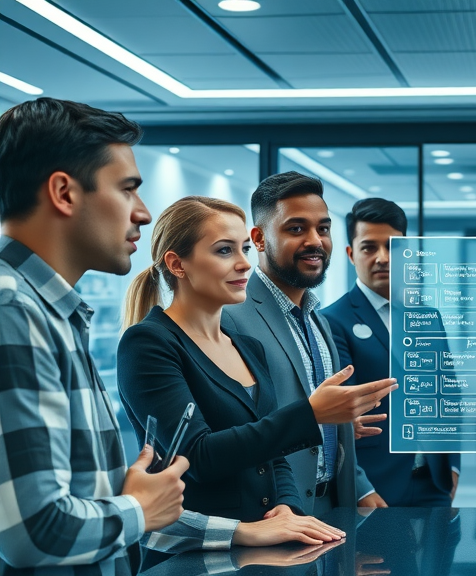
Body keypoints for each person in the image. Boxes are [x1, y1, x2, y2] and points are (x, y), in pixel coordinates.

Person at [0, 98, 319, 575]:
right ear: (64, 193)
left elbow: (119, 508)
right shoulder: (14, 312)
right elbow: (35, 531)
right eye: (127, 189)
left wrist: (150, 511)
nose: (143, 213)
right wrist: (139, 510)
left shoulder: (54, 315)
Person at [118, 196, 391, 529]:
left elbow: (274, 456)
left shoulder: (247, 347)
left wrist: (288, 506)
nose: (245, 263)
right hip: (195, 552)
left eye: (244, 249)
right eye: (224, 250)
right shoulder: (149, 343)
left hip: (268, 545)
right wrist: (310, 414)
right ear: (177, 265)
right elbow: (197, 457)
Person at [223, 172, 391, 516]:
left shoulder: (318, 321)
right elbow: (233, 432)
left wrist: (359, 487)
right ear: (258, 238)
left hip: (334, 505)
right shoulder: (230, 317)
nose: (315, 241)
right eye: (296, 229)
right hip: (275, 512)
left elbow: (328, 420)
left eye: (323, 229)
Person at [321, 197, 461, 507]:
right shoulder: (333, 321)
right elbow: (341, 412)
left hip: (435, 482)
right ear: (351, 254)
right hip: (377, 486)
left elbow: (449, 394)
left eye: (392, 246)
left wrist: (453, 466)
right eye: (369, 247)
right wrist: (360, 488)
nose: (383, 258)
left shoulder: (429, 317)